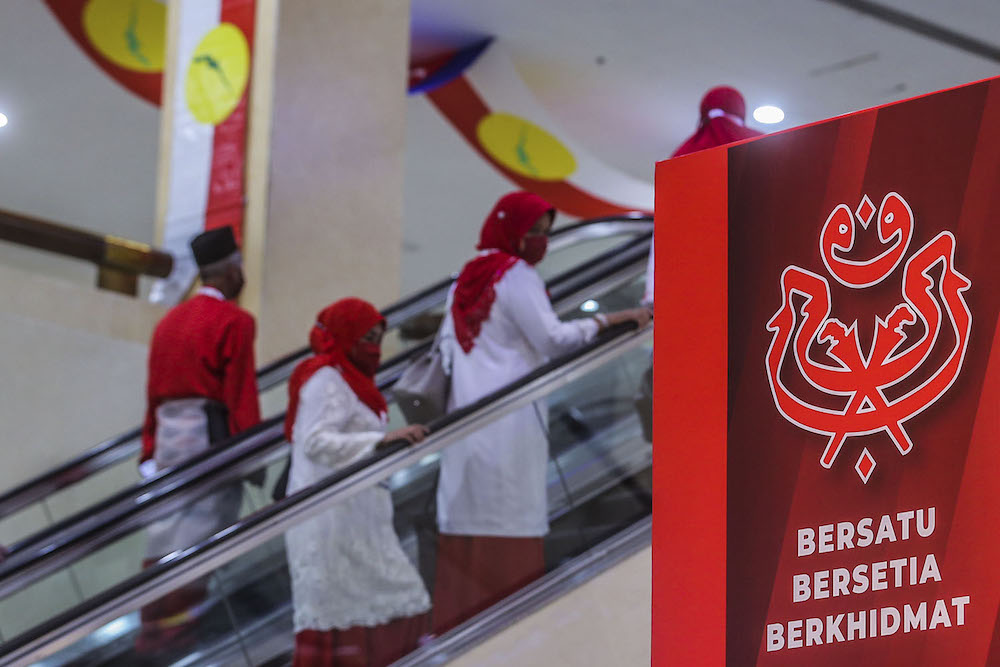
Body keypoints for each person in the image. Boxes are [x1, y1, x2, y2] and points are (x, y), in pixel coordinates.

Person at [431, 191, 652, 634]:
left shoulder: (466, 278)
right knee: (509, 539)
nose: (539, 241)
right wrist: (607, 321)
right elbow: (553, 340)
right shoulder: (515, 275)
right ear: (511, 228)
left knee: (470, 540)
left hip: (466, 429)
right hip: (509, 424)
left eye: (545, 232)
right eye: (532, 231)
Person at [284, 298, 431, 667]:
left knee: (391, 599)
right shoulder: (325, 378)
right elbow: (314, 441)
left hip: (357, 518)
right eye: (366, 338)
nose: (374, 348)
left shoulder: (351, 379)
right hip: (332, 523)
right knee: (367, 605)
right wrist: (378, 441)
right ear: (345, 335)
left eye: (378, 338)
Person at [136, 226, 261, 653]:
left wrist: (148, 453)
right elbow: (240, 394)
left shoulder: (168, 322)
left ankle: (150, 637)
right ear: (230, 271)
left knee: (163, 541)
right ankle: (179, 642)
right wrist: (252, 456)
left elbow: (153, 396)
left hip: (166, 447)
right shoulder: (235, 322)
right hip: (210, 445)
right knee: (200, 547)